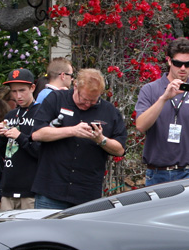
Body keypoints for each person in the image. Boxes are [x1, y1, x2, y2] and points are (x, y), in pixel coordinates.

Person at [31, 68, 126, 209]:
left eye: (93, 101)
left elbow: (120, 150)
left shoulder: (110, 112)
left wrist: (101, 140)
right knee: (46, 231)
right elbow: (37, 134)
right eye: (84, 99)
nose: (87, 104)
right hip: (51, 190)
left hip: (86, 194)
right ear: (75, 86)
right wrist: (72, 131)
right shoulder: (56, 99)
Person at [135, 38, 189, 186]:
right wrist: (163, 99)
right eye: (177, 63)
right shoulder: (150, 89)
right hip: (157, 173)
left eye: (188, 64)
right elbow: (141, 126)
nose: (183, 68)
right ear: (169, 61)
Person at [0, 68, 42, 210]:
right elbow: (2, 153)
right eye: (14, 91)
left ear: (32, 88)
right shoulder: (10, 115)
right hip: (8, 187)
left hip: (30, 190)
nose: (18, 96)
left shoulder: (41, 113)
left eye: (22, 90)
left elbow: (40, 151)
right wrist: (2, 137)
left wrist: (20, 136)